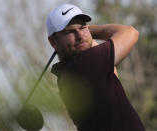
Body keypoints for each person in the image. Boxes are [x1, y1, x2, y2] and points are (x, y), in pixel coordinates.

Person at [46, 3, 145, 131]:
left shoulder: (66, 73)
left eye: (82, 27)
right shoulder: (86, 64)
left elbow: (112, 75)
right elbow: (131, 32)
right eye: (69, 31)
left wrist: (86, 35)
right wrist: (91, 30)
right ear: (53, 41)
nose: (80, 36)